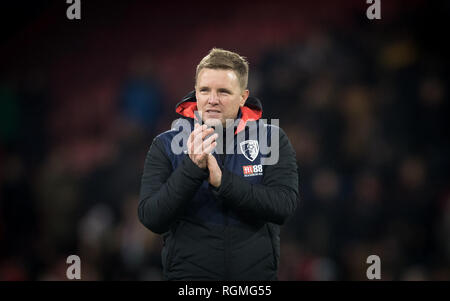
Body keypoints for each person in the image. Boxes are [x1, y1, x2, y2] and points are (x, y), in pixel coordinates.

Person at [138, 48, 299, 280]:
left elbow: (284, 206)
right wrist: (192, 170)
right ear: (196, 92)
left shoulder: (271, 139)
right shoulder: (166, 144)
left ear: (243, 97)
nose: (212, 100)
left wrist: (223, 182)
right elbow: (151, 217)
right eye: (205, 90)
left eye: (223, 92)